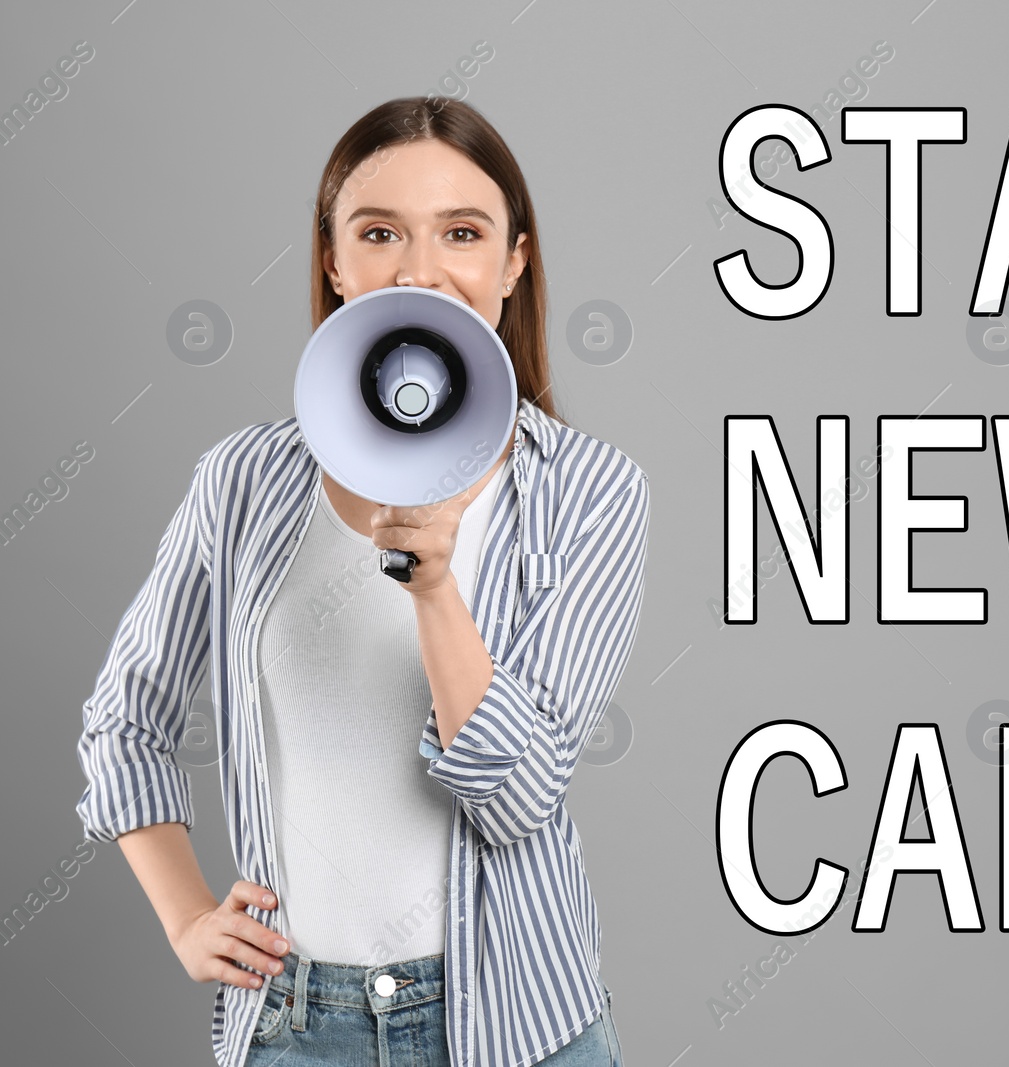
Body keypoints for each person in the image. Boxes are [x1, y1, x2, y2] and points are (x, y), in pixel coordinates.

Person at [75, 96, 648, 1067]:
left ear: (512, 264)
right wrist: (184, 917)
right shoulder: (245, 482)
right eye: (378, 233)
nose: (419, 270)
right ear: (335, 264)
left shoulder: (590, 492)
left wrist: (433, 587)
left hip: (518, 1020)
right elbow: (125, 722)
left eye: (462, 234)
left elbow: (516, 797)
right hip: (298, 1023)